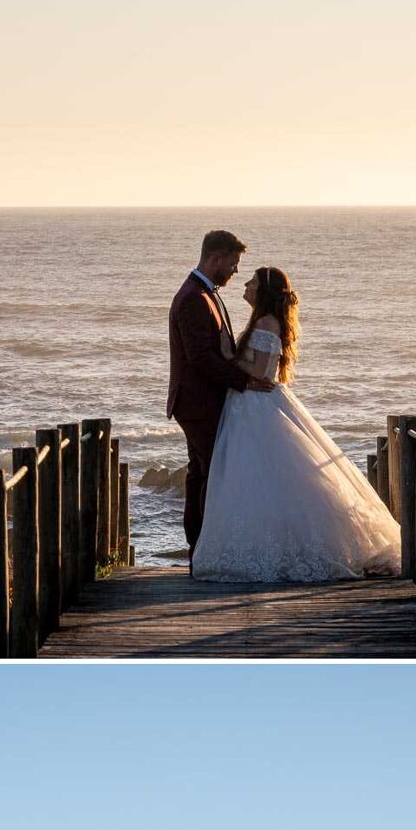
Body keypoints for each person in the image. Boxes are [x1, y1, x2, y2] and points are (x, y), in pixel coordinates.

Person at [191, 265, 401, 583]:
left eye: (253, 282)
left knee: (261, 478)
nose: (246, 285)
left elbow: (261, 374)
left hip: (256, 408)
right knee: (264, 481)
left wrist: (226, 356)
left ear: (265, 292)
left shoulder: (265, 322)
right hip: (252, 407)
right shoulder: (264, 321)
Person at [167, 229, 275, 567]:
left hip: (202, 403)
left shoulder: (203, 293)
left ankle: (201, 551)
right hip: (198, 405)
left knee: (202, 476)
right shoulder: (192, 299)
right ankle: (204, 553)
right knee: (213, 477)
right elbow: (200, 358)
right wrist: (245, 382)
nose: (235, 272)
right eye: (233, 264)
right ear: (216, 259)